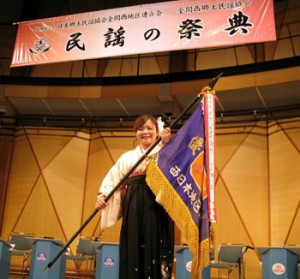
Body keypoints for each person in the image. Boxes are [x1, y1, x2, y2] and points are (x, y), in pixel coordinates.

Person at [95, 114, 174, 279]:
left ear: (157, 131)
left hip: (157, 204)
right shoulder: (127, 157)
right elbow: (113, 178)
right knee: (133, 246)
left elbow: (176, 170)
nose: (145, 132)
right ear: (136, 133)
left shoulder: (165, 151)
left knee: (156, 243)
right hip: (133, 206)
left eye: (149, 128)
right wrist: (103, 196)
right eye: (140, 129)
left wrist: (167, 145)